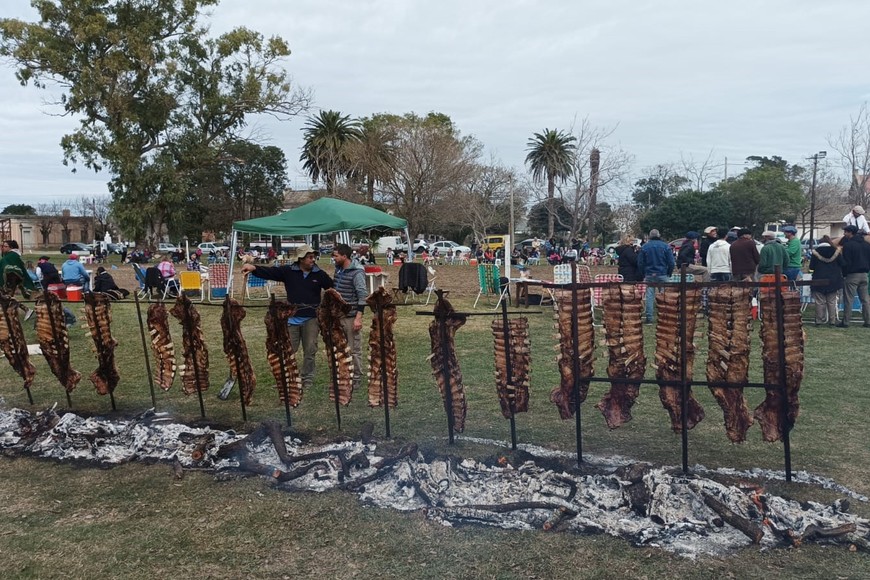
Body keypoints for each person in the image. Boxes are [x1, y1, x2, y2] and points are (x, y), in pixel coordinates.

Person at [241, 244, 333, 390]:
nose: (313, 259)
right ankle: (288, 377)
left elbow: (331, 288)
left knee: (310, 349)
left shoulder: (319, 274)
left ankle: (307, 378)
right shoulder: (288, 271)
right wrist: (254, 268)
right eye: (309, 257)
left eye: (313, 257)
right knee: (288, 350)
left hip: (311, 318)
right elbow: (271, 272)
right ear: (301, 259)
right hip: (292, 318)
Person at [331, 243, 368, 391]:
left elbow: (362, 296)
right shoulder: (338, 271)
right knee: (340, 348)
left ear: (344, 256)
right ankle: (344, 375)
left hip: (351, 317)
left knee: (354, 349)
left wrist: (358, 318)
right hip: (338, 317)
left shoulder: (357, 272)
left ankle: (357, 377)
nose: (333, 258)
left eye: (336, 255)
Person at [637, 228, 674, 324]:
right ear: (659, 235)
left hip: (649, 274)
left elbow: (640, 263)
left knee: (649, 296)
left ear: (649, 236)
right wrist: (669, 272)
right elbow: (671, 262)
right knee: (665, 296)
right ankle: (666, 317)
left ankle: (649, 318)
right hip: (663, 273)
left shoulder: (644, 247)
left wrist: (643, 274)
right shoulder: (666, 246)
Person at [837, 225, 870, 327]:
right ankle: (868, 321)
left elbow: (846, 262)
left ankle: (846, 321)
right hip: (865, 275)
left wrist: (844, 273)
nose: (844, 234)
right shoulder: (866, 245)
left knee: (849, 299)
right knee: (865, 300)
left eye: (846, 232)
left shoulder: (848, 245)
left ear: (850, 232)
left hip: (852, 275)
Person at [808, 235, 843, 326]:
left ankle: (819, 320)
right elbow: (843, 263)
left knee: (819, 301)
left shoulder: (815, 252)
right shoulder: (836, 251)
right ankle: (832, 321)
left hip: (819, 278)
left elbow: (811, 267)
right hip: (833, 279)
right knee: (831, 301)